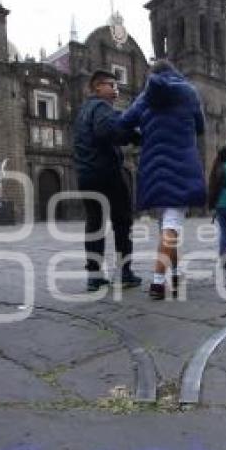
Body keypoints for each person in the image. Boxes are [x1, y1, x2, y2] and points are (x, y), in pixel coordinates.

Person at [118, 60, 206, 300]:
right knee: (172, 225)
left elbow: (123, 124)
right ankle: (158, 282)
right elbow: (200, 127)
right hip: (182, 165)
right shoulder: (189, 92)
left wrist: (141, 134)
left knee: (167, 226)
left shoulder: (146, 96)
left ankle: (176, 273)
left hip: (152, 167)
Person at [72, 69, 142, 291]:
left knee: (95, 224)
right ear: (97, 87)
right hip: (107, 172)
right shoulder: (101, 107)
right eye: (112, 85)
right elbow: (107, 132)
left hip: (86, 174)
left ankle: (94, 276)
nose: (116, 91)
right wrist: (134, 135)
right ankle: (125, 272)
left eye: (117, 86)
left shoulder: (83, 110)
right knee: (122, 221)